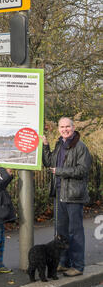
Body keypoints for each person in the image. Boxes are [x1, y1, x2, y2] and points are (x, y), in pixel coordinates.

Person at [42, 117, 92, 277]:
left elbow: (82, 170)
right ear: (58, 129)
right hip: (59, 195)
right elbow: (49, 162)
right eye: (62, 127)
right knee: (61, 232)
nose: (65, 129)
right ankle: (63, 263)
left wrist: (61, 171)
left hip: (73, 196)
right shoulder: (59, 144)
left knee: (75, 232)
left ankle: (78, 266)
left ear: (73, 127)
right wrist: (45, 146)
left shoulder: (80, 146)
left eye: (67, 127)